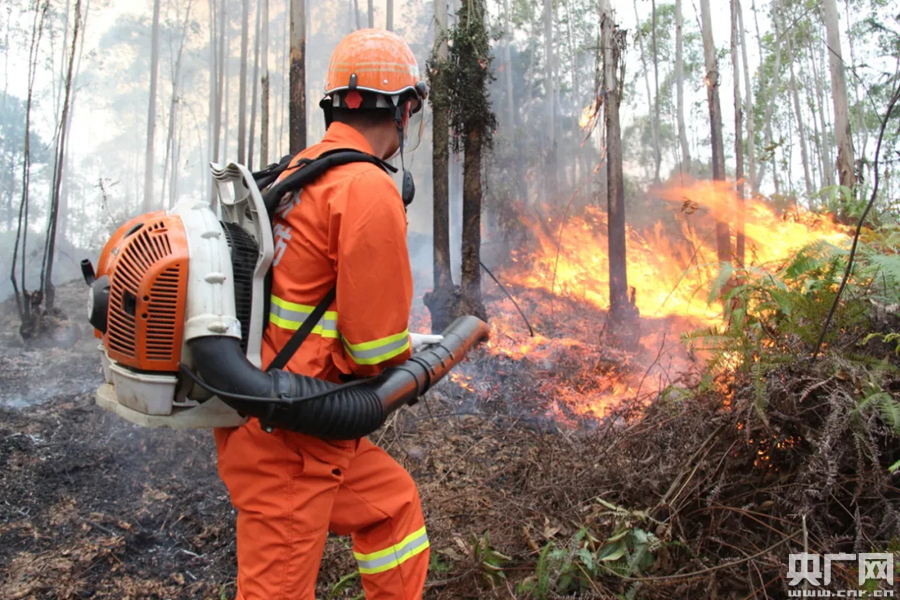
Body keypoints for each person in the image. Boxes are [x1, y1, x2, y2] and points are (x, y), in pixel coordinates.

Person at [213, 29, 430, 600]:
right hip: (290, 437)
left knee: (392, 508)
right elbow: (375, 351)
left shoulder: (300, 170)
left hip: (282, 414)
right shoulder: (366, 188)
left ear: (336, 104)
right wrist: (407, 357)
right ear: (405, 110)